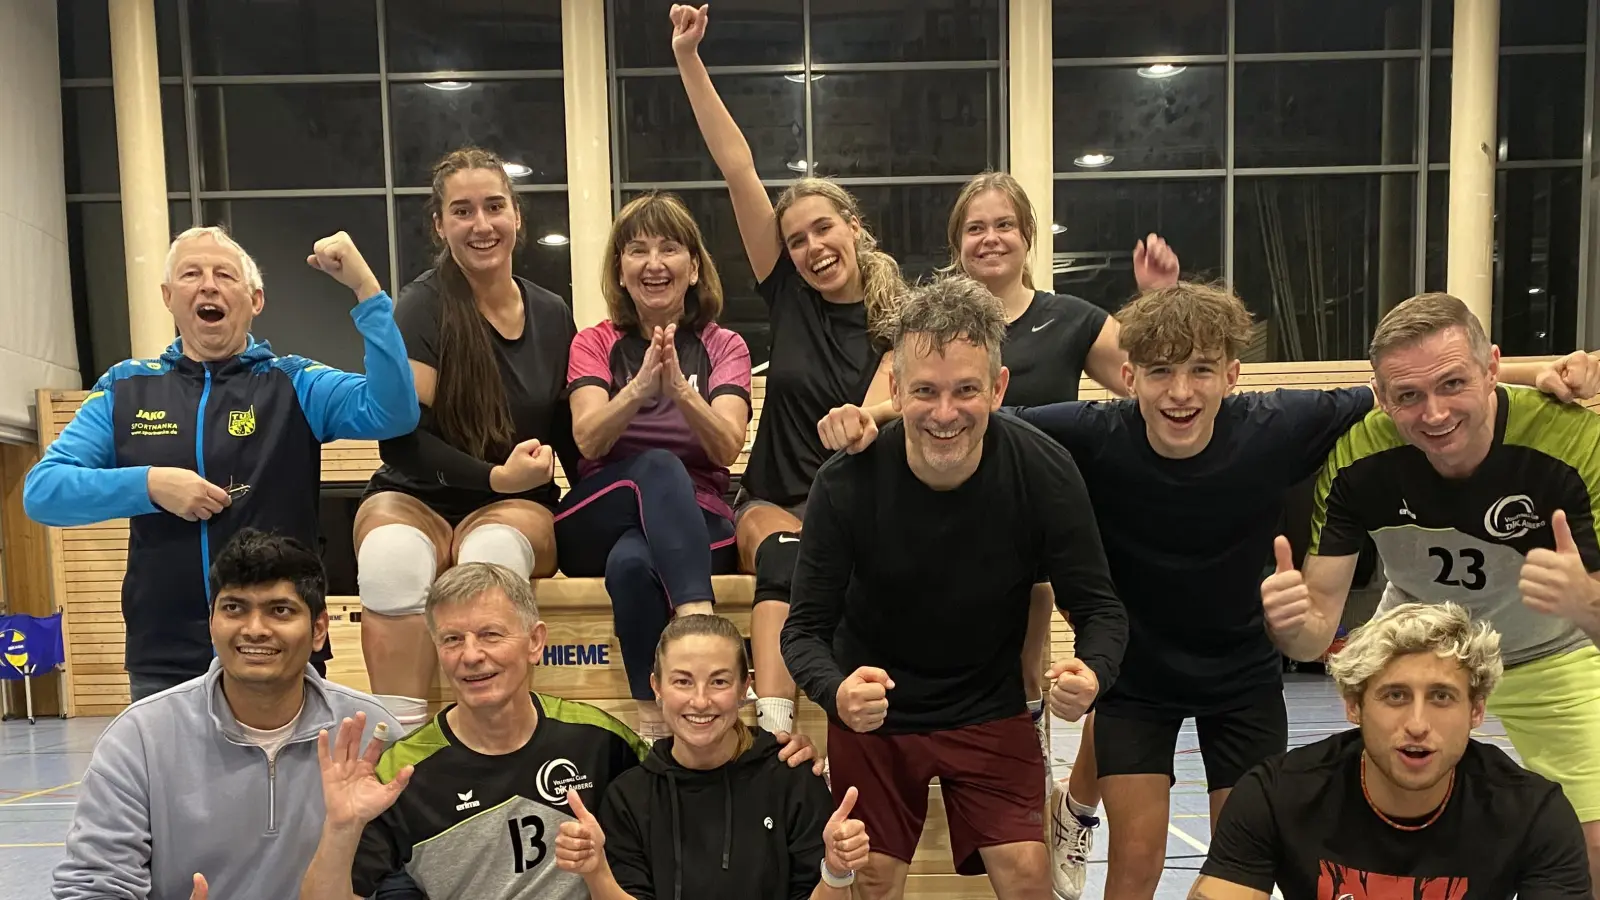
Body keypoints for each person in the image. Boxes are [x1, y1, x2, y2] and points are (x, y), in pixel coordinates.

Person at [822, 282, 1600, 900]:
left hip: (1242, 678)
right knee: (1134, 867)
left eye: (1202, 371)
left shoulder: (1276, 424)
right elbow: (975, 408)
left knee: (1242, 863)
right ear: (1128, 378)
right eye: (1159, 372)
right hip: (1138, 683)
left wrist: (1543, 372)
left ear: (1233, 374)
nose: (1181, 392)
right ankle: (1076, 814)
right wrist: (872, 413)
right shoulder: (1093, 435)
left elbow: (1396, 391)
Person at [783, 273, 1129, 900]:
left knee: (1030, 877)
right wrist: (836, 692)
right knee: (872, 879)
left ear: (998, 387)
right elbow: (803, 631)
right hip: (877, 715)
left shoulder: (1044, 471)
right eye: (925, 391)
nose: (945, 414)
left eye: (966, 390)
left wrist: (1093, 672)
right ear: (895, 390)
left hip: (987, 705)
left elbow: (1100, 608)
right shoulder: (845, 483)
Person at [1264, 291, 1600, 894]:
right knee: (1381, 814)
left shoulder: (1573, 442)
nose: (1434, 414)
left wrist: (1586, 603)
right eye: (1408, 396)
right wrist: (1289, 623)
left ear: (1493, 366)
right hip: (1420, 647)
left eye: (1452, 384)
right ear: (1382, 396)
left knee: (1595, 841)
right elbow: (1316, 629)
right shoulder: (1361, 454)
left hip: (1552, 649)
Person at [24, 226, 418, 701]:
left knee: (290, 777)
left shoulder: (295, 382)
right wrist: (150, 485)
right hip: (165, 655)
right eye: (192, 274)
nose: (208, 284)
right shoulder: (125, 389)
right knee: (171, 778)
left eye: (224, 275)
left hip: (280, 645)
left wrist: (366, 291)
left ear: (255, 300)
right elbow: (44, 492)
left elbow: (395, 412)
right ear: (169, 297)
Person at [299, 563, 821, 900]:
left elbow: (689, 773)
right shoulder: (401, 769)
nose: (471, 655)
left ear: (535, 642)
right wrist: (341, 827)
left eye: (490, 634)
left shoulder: (601, 741)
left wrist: (772, 752)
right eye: (452, 639)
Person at [673, 2, 903, 738]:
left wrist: (871, 418)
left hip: (861, 508)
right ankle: (773, 732)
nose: (811, 248)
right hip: (776, 499)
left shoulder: (901, 317)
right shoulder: (789, 293)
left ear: (854, 227)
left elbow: (886, 396)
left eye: (824, 230)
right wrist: (688, 59)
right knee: (784, 554)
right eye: (797, 238)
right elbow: (736, 165)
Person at [357, 146, 579, 730]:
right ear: (439, 223)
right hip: (414, 494)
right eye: (462, 211)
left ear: (516, 217)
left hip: (512, 506)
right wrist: (491, 475)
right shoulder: (422, 305)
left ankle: (496, 738)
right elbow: (401, 440)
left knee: (490, 561)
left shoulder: (553, 314)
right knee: (391, 559)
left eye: (494, 207)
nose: (481, 225)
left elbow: (569, 433)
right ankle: (400, 743)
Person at [52, 529, 400, 900]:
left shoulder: (373, 735)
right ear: (211, 622)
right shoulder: (140, 738)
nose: (254, 630)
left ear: (318, 630)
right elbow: (91, 886)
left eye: (280, 611)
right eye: (234, 608)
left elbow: (409, 875)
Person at [1191, 602, 1591, 899]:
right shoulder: (1276, 796)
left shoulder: (1534, 814)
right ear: (1354, 705)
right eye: (1395, 696)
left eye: (1441, 697)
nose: (1417, 724)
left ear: (1476, 710)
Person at [556, 191, 752, 740]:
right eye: (637, 250)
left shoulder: (723, 345)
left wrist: (682, 395)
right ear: (620, 270)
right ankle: (698, 623)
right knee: (660, 465)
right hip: (601, 509)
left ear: (693, 267)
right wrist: (640, 388)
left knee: (632, 568)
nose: (654, 263)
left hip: (698, 522)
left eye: (670, 248)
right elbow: (588, 439)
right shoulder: (594, 342)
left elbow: (726, 448)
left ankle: (652, 720)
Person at [553, 614, 865, 899]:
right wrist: (597, 874)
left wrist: (836, 874)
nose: (700, 701)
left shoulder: (792, 777)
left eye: (719, 681)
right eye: (682, 681)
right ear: (656, 687)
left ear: (745, 688)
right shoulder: (628, 798)